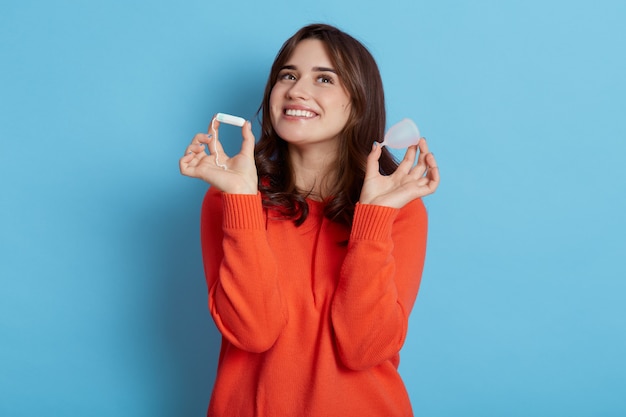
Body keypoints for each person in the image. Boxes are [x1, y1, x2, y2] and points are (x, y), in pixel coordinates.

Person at [179, 23, 439, 417]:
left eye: (324, 78)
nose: (297, 90)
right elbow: (253, 331)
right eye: (288, 75)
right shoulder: (227, 197)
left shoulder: (398, 209)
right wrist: (240, 200)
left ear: (359, 102)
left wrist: (373, 219)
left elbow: (363, 347)